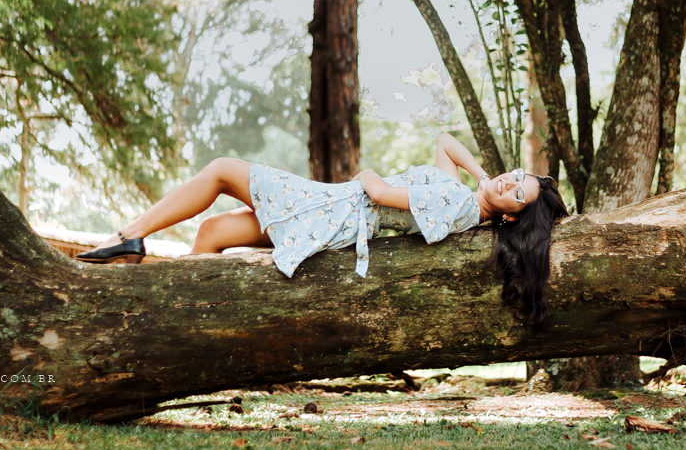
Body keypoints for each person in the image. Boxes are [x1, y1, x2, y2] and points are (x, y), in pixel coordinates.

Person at [76, 132, 569, 326]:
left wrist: (368, 174)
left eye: (516, 193)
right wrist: (485, 178)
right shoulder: (463, 199)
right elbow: (444, 142)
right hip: (336, 216)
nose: (507, 183)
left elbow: (379, 192)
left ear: (511, 217)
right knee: (215, 232)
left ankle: (131, 235)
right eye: (514, 176)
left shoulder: (455, 201)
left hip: (334, 209)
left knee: (223, 170)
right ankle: (177, 314)